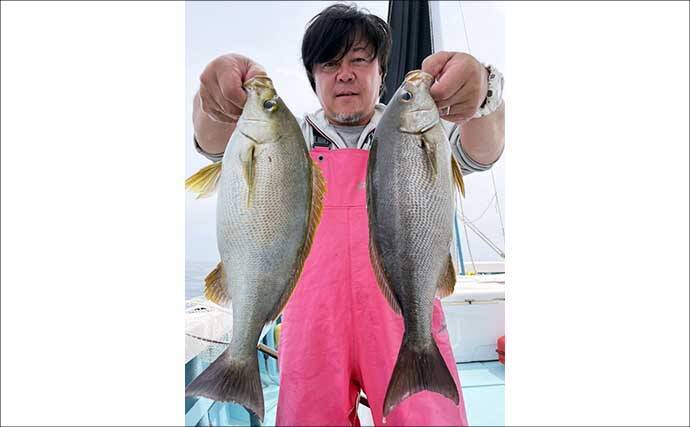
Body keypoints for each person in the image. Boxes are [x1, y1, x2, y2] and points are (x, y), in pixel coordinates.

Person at [192, 3, 504, 426]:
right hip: (313, 324)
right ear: (313, 77)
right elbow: (212, 142)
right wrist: (213, 99)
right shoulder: (288, 138)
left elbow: (482, 151)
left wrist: (484, 94)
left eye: (359, 60)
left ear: (381, 72)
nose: (345, 74)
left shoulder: (418, 129)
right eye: (329, 63)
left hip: (401, 315)